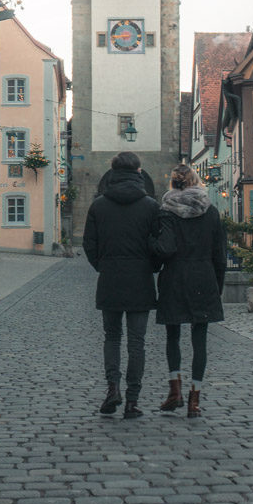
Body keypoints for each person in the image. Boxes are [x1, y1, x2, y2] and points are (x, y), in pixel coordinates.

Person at [83, 151, 160, 418]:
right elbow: (158, 244)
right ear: (138, 172)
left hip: (111, 278)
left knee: (112, 338)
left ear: (113, 172)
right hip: (140, 279)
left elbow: (89, 244)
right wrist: (152, 266)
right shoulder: (151, 205)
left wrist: (102, 266)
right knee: (137, 342)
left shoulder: (99, 205)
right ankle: (132, 400)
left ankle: (112, 388)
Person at [153, 164, 226, 418]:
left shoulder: (166, 212)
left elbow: (165, 249)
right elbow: (220, 255)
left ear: (173, 184)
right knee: (200, 339)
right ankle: (195, 399)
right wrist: (217, 286)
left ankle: (175, 392)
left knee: (173, 337)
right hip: (203, 277)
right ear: (196, 182)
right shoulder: (211, 211)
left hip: (174, 276)